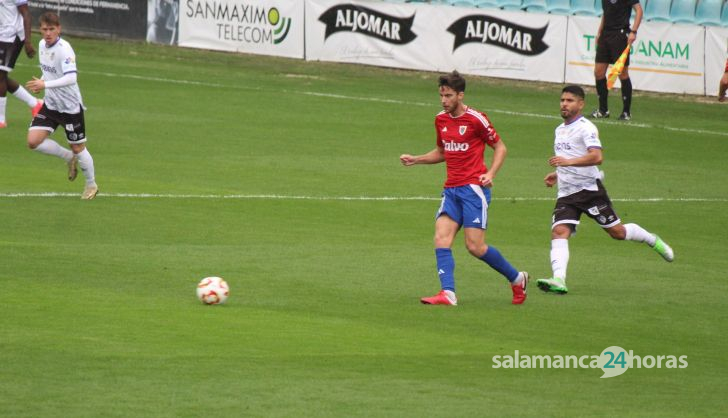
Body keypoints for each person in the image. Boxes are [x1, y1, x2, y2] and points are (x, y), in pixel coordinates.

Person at [400, 71, 529, 306]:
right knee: (441, 238)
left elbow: (500, 147)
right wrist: (416, 159)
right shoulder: (441, 119)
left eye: (448, 96)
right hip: (451, 189)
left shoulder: (476, 119)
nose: (443, 100)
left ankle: (517, 278)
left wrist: (490, 174)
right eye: (441, 95)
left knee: (475, 246)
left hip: (473, 190)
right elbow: (442, 152)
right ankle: (448, 293)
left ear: (460, 95)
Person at [537, 85, 673, 295]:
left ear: (581, 104)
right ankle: (558, 279)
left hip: (590, 191)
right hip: (566, 194)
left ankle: (650, 239)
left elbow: (596, 157)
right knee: (559, 231)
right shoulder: (559, 129)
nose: (564, 104)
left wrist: (567, 162)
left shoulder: (586, 128)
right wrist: (557, 174)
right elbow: (572, 160)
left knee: (617, 233)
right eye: (562, 100)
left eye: (570, 100)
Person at [25, 12, 98, 200]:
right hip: (51, 104)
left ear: (59, 29)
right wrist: (41, 81)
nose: (48, 33)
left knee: (78, 147)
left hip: (70, 106)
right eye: (44, 29)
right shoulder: (42, 45)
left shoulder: (65, 49)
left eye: (52, 29)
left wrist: (45, 85)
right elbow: (49, 71)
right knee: (33, 141)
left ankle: (91, 185)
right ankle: (68, 158)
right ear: (40, 30)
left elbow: (71, 77)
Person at [591, 0, 642, 121]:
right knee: (598, 72)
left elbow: (639, 10)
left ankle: (626, 112)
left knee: (622, 73)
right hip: (605, 35)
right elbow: (606, 12)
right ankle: (603, 110)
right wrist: (599, 32)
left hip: (620, 34)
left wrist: (633, 31)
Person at [0, 0, 43, 128]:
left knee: (0, 76)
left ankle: (1, 119)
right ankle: (35, 104)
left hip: (12, 36)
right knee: (1, 77)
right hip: (2, 35)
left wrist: (28, 42)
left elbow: (26, 14)